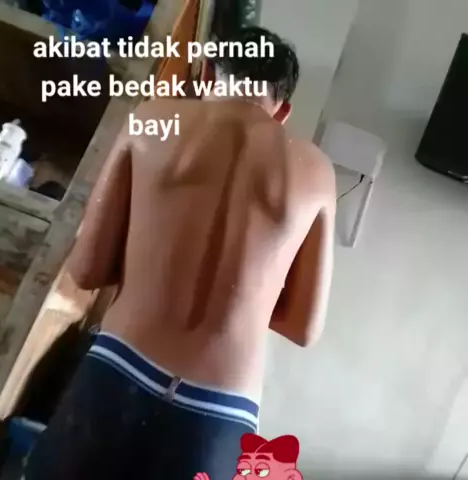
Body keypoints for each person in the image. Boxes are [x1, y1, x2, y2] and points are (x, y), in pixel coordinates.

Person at [25, 27, 336, 480]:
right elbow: (305, 327)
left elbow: (87, 269)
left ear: (206, 74)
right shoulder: (317, 171)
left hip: (120, 370)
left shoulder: (153, 118)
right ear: (282, 110)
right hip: (223, 411)